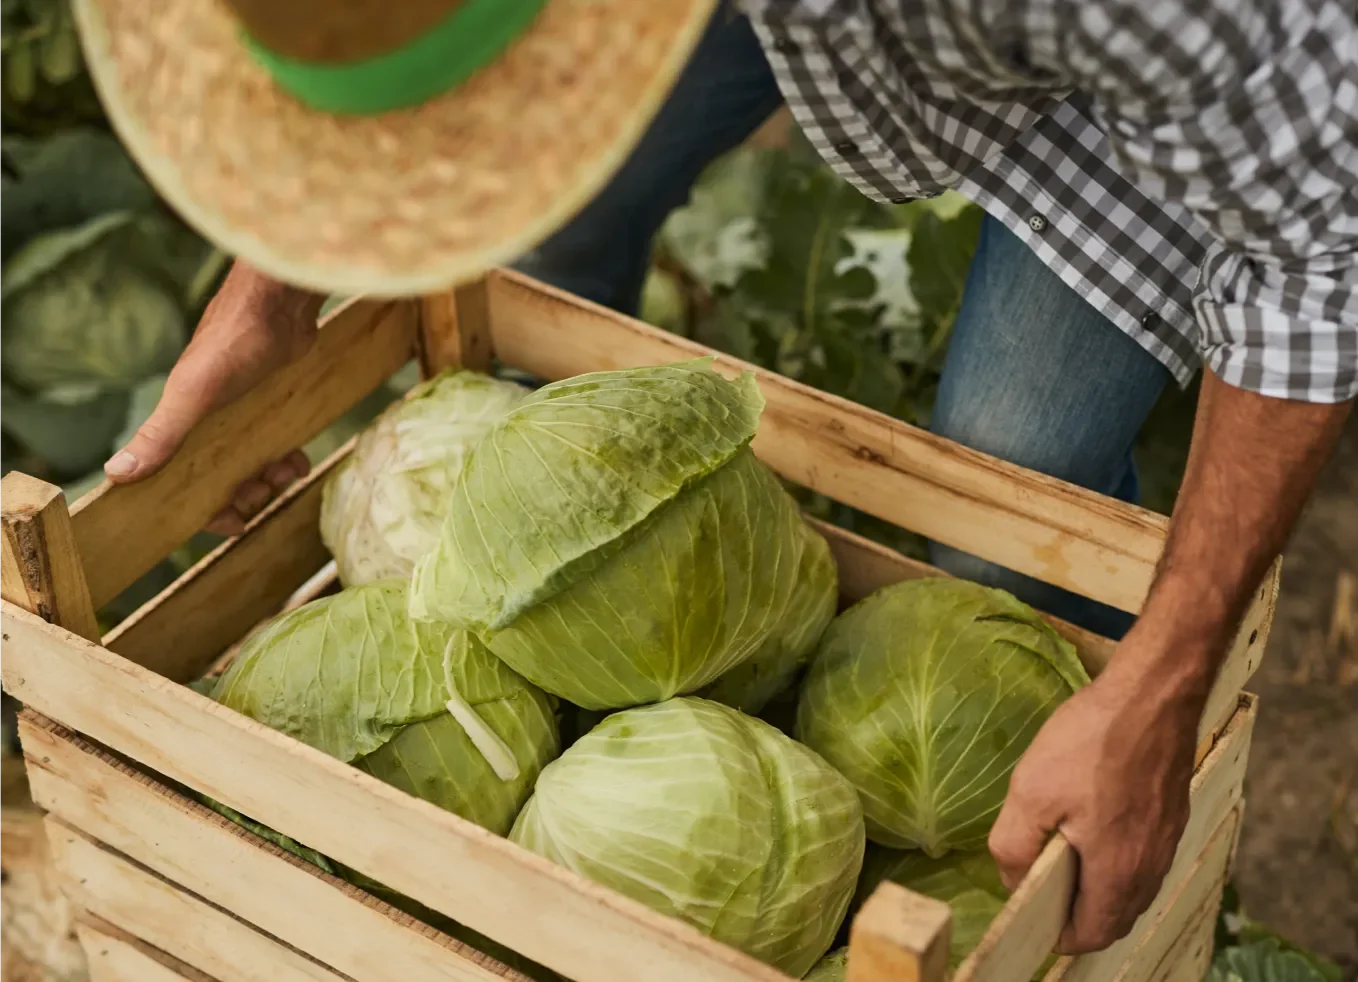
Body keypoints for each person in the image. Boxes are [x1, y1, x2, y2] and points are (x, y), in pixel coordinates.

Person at [84, 0, 1356, 957]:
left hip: (1172, 86)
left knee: (1009, 477)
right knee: (538, 239)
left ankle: (1086, 842)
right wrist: (275, 289)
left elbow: (1317, 249)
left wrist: (1159, 685)